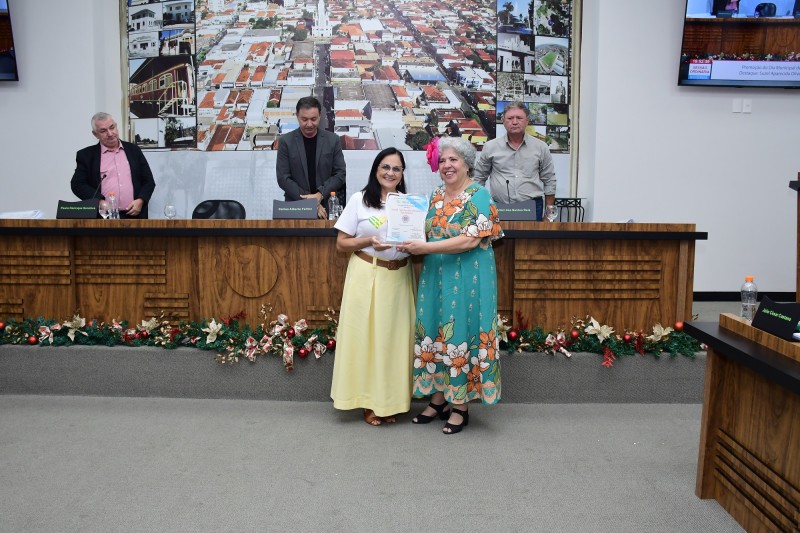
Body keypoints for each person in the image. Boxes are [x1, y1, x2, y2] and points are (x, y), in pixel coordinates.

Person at [399, 137, 504, 435]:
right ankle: (438, 399)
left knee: (459, 332)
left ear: (467, 164)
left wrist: (425, 248)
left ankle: (460, 406)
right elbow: (422, 231)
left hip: (469, 277)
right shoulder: (434, 195)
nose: (447, 165)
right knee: (435, 330)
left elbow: (469, 240)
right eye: (443, 160)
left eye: (453, 160)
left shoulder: (479, 195)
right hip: (436, 275)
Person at [330, 148, 415, 426]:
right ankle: (367, 401)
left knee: (393, 342)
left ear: (402, 174)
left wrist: (414, 245)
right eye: (385, 167)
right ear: (376, 169)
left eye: (396, 169)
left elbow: (418, 241)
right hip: (367, 274)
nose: (390, 173)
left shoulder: (409, 204)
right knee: (365, 339)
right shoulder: (360, 200)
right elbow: (341, 244)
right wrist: (368, 241)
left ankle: (389, 402)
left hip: (399, 277)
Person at [473, 101, 556, 221]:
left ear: (527, 121)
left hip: (531, 207)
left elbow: (549, 180)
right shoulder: (490, 147)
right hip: (500, 206)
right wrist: (479, 209)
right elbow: (479, 178)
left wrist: (549, 215)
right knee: (499, 235)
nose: (515, 122)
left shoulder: (540, 147)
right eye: (510, 118)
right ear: (503, 121)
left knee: (531, 235)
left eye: (519, 118)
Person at [71, 112, 156, 219]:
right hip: (103, 217)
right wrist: (99, 201)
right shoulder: (86, 155)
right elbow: (77, 184)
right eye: (103, 131)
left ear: (116, 126)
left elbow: (148, 181)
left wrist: (141, 200)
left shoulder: (134, 150)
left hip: (134, 216)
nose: (110, 133)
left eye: (112, 127)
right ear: (95, 134)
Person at [276, 96, 347, 219]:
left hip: (326, 207)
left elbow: (340, 174)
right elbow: (283, 178)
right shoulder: (285, 142)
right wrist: (310, 202)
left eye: (313, 119)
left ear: (320, 116)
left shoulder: (332, 140)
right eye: (304, 119)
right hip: (296, 206)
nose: (309, 124)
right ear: (297, 116)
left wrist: (320, 195)